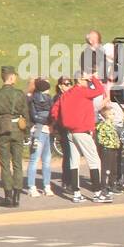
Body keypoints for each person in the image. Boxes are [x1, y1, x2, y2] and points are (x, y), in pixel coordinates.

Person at [52, 74, 109, 203]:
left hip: (69, 132)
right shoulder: (82, 91)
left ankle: (76, 193)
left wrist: (63, 122)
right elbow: (100, 91)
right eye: (86, 80)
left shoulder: (65, 95)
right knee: (94, 160)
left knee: (74, 162)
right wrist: (94, 78)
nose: (88, 82)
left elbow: (54, 111)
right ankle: (97, 192)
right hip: (82, 130)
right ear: (80, 80)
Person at [0, 66, 30, 207]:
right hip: (17, 130)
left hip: (2, 130)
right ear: (11, 77)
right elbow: (26, 114)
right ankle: (17, 196)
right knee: (17, 164)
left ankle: (8, 197)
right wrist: (27, 134)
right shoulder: (19, 94)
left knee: (5, 164)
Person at [25, 77, 54, 197]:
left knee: (45, 160)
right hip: (39, 130)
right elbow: (34, 115)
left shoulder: (44, 98)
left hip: (45, 131)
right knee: (36, 160)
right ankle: (33, 187)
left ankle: (46, 186)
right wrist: (49, 121)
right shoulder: (32, 99)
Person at [96, 103, 123, 196]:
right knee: (106, 169)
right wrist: (107, 144)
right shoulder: (103, 126)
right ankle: (104, 187)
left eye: (113, 114)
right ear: (106, 116)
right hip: (107, 149)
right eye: (111, 114)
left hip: (114, 149)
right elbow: (100, 138)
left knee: (114, 168)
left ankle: (113, 185)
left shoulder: (112, 125)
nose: (113, 116)